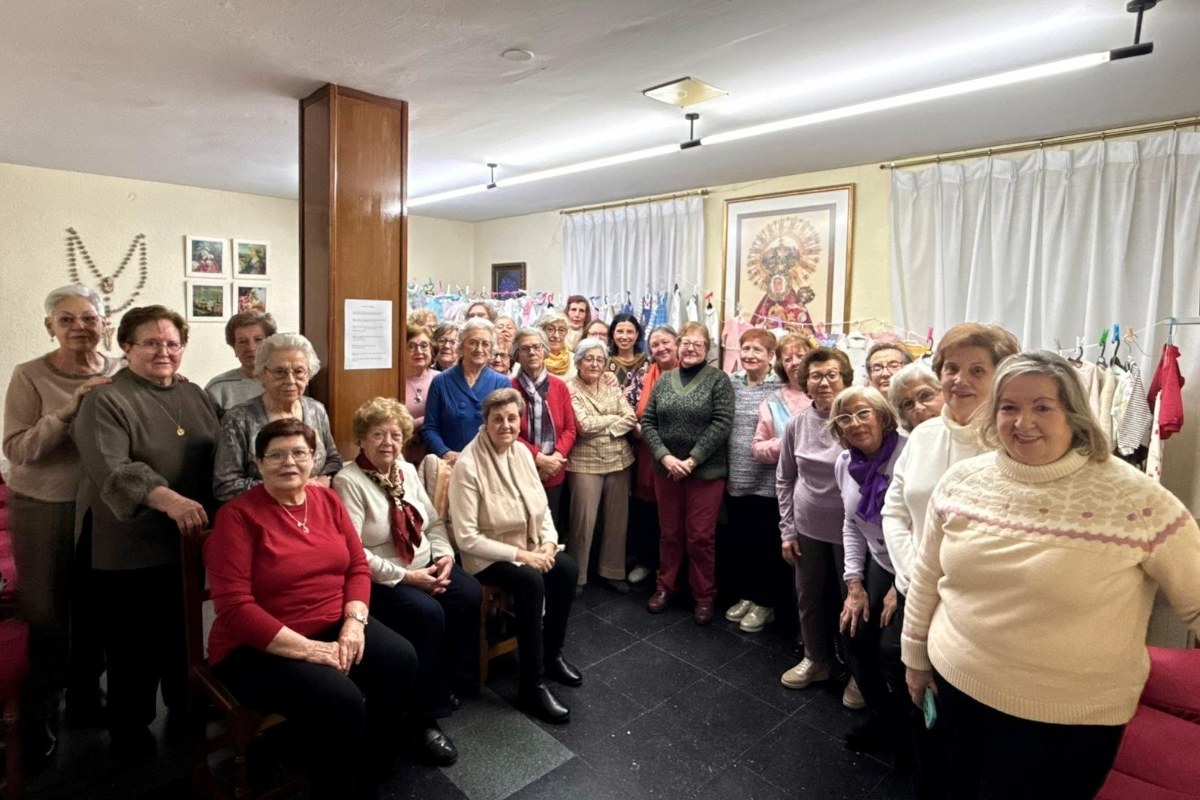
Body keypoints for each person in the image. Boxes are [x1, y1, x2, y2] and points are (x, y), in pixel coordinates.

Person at [902, 351, 1200, 800]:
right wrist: (915, 657)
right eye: (1009, 407)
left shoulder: (1139, 501)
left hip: (1069, 720)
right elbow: (928, 575)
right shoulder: (962, 481)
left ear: (1074, 414)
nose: (1024, 422)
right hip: (957, 685)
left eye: (1043, 406)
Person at [206, 419, 418, 799]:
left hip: (331, 621)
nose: (289, 462)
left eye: (299, 453)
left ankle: (369, 769)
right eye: (276, 455)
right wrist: (313, 651)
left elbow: (356, 566)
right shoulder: (236, 518)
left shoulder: (326, 500)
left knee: (400, 659)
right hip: (256, 646)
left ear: (314, 459)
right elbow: (234, 609)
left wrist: (353, 625)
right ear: (257, 463)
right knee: (342, 700)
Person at [71, 304, 221, 760]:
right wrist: (170, 499)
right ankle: (129, 730)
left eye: (173, 343)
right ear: (127, 347)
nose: (164, 352)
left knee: (183, 631)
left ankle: (185, 703)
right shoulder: (107, 398)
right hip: (127, 543)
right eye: (151, 343)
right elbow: (113, 468)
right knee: (132, 646)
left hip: (188, 538)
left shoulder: (195, 393)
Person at [881, 322, 1018, 798]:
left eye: (976, 369)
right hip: (917, 595)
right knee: (925, 719)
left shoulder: (1012, 443)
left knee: (973, 737)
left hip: (978, 614)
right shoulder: (922, 436)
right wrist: (909, 574)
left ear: (1003, 376)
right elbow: (895, 510)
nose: (959, 379)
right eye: (951, 368)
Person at [3, 285, 120, 764]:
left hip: (102, 508)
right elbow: (18, 449)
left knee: (95, 609)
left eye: (89, 318)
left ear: (104, 323)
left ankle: (86, 699)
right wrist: (68, 409)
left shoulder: (118, 369)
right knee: (48, 613)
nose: (79, 327)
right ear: (49, 326)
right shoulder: (29, 375)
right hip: (44, 505)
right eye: (66, 320)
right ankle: (40, 714)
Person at [333, 399, 482, 767]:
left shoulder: (406, 470)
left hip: (425, 564)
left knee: (467, 593)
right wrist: (407, 577)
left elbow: (431, 523)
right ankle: (422, 720)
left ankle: (443, 680)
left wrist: (444, 555)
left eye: (395, 434)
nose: (388, 442)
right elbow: (354, 553)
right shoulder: (347, 481)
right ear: (361, 440)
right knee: (426, 614)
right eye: (378, 434)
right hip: (382, 580)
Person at [448, 389, 581, 724]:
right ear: (486, 421)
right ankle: (530, 685)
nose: (506, 425)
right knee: (530, 581)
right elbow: (466, 537)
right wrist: (523, 555)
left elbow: (541, 506)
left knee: (565, 569)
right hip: (486, 557)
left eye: (512, 418)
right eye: (498, 419)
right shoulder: (468, 465)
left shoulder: (522, 451)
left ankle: (552, 654)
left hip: (528, 545)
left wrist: (549, 543)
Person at [640, 322, 734, 625]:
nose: (690, 348)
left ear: (707, 349)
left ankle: (704, 595)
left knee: (700, 537)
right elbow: (649, 422)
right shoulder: (664, 380)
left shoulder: (719, 381)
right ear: (678, 346)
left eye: (697, 343)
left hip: (705, 474)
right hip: (666, 472)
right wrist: (665, 457)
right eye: (686, 342)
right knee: (669, 534)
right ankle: (665, 587)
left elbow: (721, 423)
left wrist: (691, 461)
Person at [830, 386, 906, 754]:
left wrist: (901, 586)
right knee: (854, 633)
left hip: (916, 565)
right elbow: (851, 523)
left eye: (863, 413)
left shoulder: (907, 454)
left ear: (883, 416)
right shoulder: (845, 463)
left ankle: (914, 735)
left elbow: (926, 528)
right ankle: (882, 719)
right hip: (879, 561)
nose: (855, 423)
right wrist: (854, 584)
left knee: (893, 651)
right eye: (845, 418)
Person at [776, 347, 853, 693]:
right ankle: (815, 659)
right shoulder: (796, 424)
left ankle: (857, 673)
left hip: (852, 533)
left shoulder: (857, 419)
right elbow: (784, 478)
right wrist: (787, 529)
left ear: (845, 379)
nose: (823, 382)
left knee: (852, 603)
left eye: (831, 375)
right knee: (808, 597)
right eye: (816, 376)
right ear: (805, 382)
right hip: (807, 527)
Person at [213, 333, 342, 502]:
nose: (290, 380)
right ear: (262, 375)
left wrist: (323, 481)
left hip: (313, 506)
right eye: (280, 372)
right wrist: (293, 488)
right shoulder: (239, 419)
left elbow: (333, 460)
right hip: (263, 512)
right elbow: (226, 486)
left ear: (308, 376)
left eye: (299, 372)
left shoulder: (316, 410)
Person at [721, 328, 782, 633]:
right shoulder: (731, 382)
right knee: (741, 540)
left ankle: (765, 602)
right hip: (737, 474)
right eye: (745, 349)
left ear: (771, 356)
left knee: (766, 543)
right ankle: (746, 595)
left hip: (768, 477)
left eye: (758, 350)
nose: (750, 355)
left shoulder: (780, 386)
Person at [567, 338, 637, 594]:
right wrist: (614, 421)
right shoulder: (570, 389)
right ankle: (577, 576)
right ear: (578, 362)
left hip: (619, 460)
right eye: (589, 358)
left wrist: (609, 427)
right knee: (582, 522)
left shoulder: (610, 383)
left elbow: (630, 416)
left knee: (617, 521)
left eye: (599, 359)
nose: (595, 364)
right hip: (584, 462)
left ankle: (612, 571)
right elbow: (583, 427)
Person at [627, 324, 678, 586]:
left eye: (666, 342)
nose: (661, 348)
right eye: (655, 344)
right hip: (647, 453)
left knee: (672, 515)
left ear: (677, 342)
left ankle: (671, 569)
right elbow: (627, 408)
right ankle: (648, 561)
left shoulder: (689, 373)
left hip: (679, 455)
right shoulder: (644, 374)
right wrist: (638, 429)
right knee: (647, 511)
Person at [511, 327, 577, 530]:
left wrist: (555, 459)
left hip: (555, 470)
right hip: (521, 469)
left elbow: (570, 429)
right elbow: (510, 432)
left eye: (537, 347)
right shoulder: (510, 388)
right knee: (521, 527)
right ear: (517, 355)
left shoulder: (559, 386)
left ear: (545, 351)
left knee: (550, 529)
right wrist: (538, 458)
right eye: (525, 348)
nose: (532, 352)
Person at [423, 318, 511, 465]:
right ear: (461, 347)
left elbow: (507, 427)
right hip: (450, 465)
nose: (479, 349)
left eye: (485, 344)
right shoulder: (441, 382)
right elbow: (430, 428)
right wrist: (445, 453)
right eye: (473, 343)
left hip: (490, 463)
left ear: (491, 350)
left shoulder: (501, 383)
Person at [204, 310, 277, 414]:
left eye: (258, 340)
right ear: (234, 348)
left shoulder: (287, 382)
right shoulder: (218, 388)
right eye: (242, 342)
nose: (251, 348)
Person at [608, 312, 648, 410]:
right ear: (613, 334)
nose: (624, 337)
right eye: (620, 331)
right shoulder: (604, 362)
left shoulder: (647, 362)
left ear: (637, 334)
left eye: (629, 332)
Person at [888, 362, 944, 432]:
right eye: (908, 403)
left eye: (925, 395)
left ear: (945, 392)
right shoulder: (912, 442)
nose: (918, 407)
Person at [536, 310, 576, 379]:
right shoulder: (530, 358)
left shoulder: (575, 360)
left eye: (561, 330)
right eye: (550, 329)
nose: (556, 335)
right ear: (541, 331)